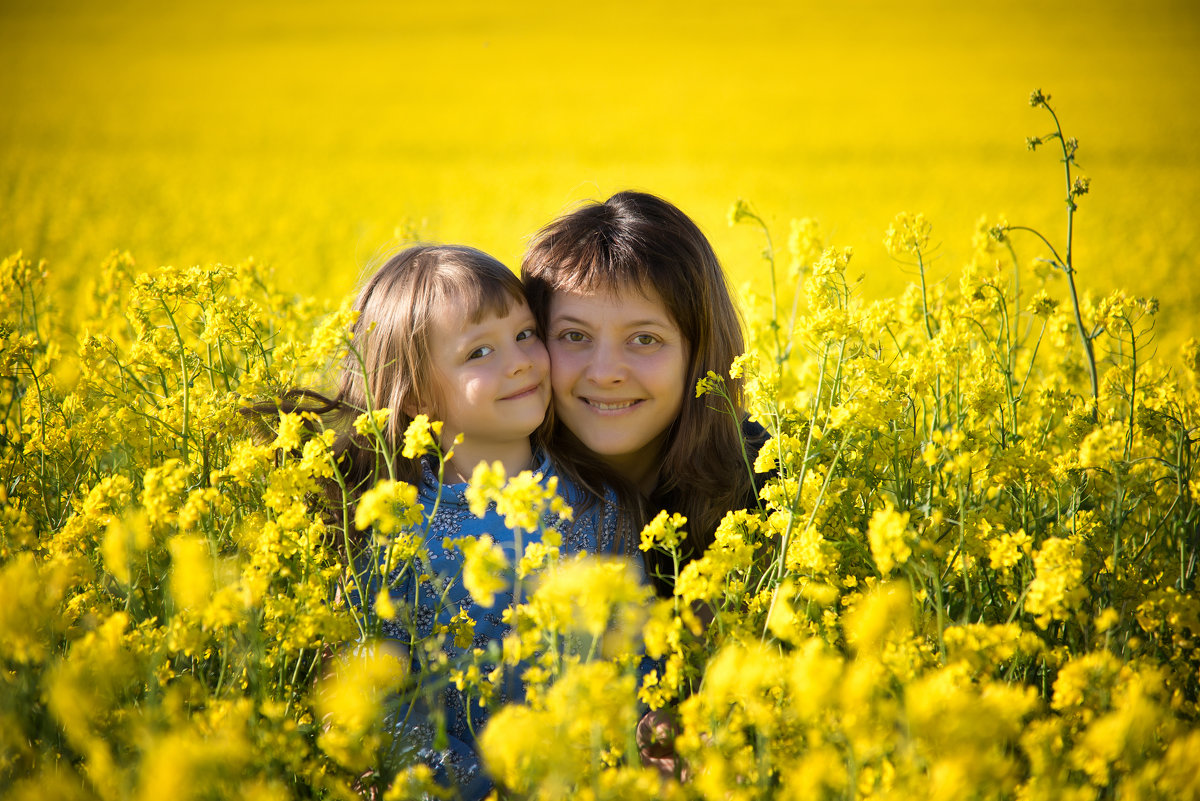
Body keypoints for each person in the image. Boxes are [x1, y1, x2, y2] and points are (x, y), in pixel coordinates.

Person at [261, 244, 621, 799]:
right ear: (416, 396)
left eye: (526, 334)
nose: (520, 360)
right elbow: (379, 714)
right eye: (480, 351)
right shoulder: (392, 539)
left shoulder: (600, 506)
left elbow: (634, 658)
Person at [521, 190, 767, 596]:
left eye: (644, 339)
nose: (604, 373)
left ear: (700, 352)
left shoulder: (771, 490)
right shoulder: (493, 487)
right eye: (574, 335)